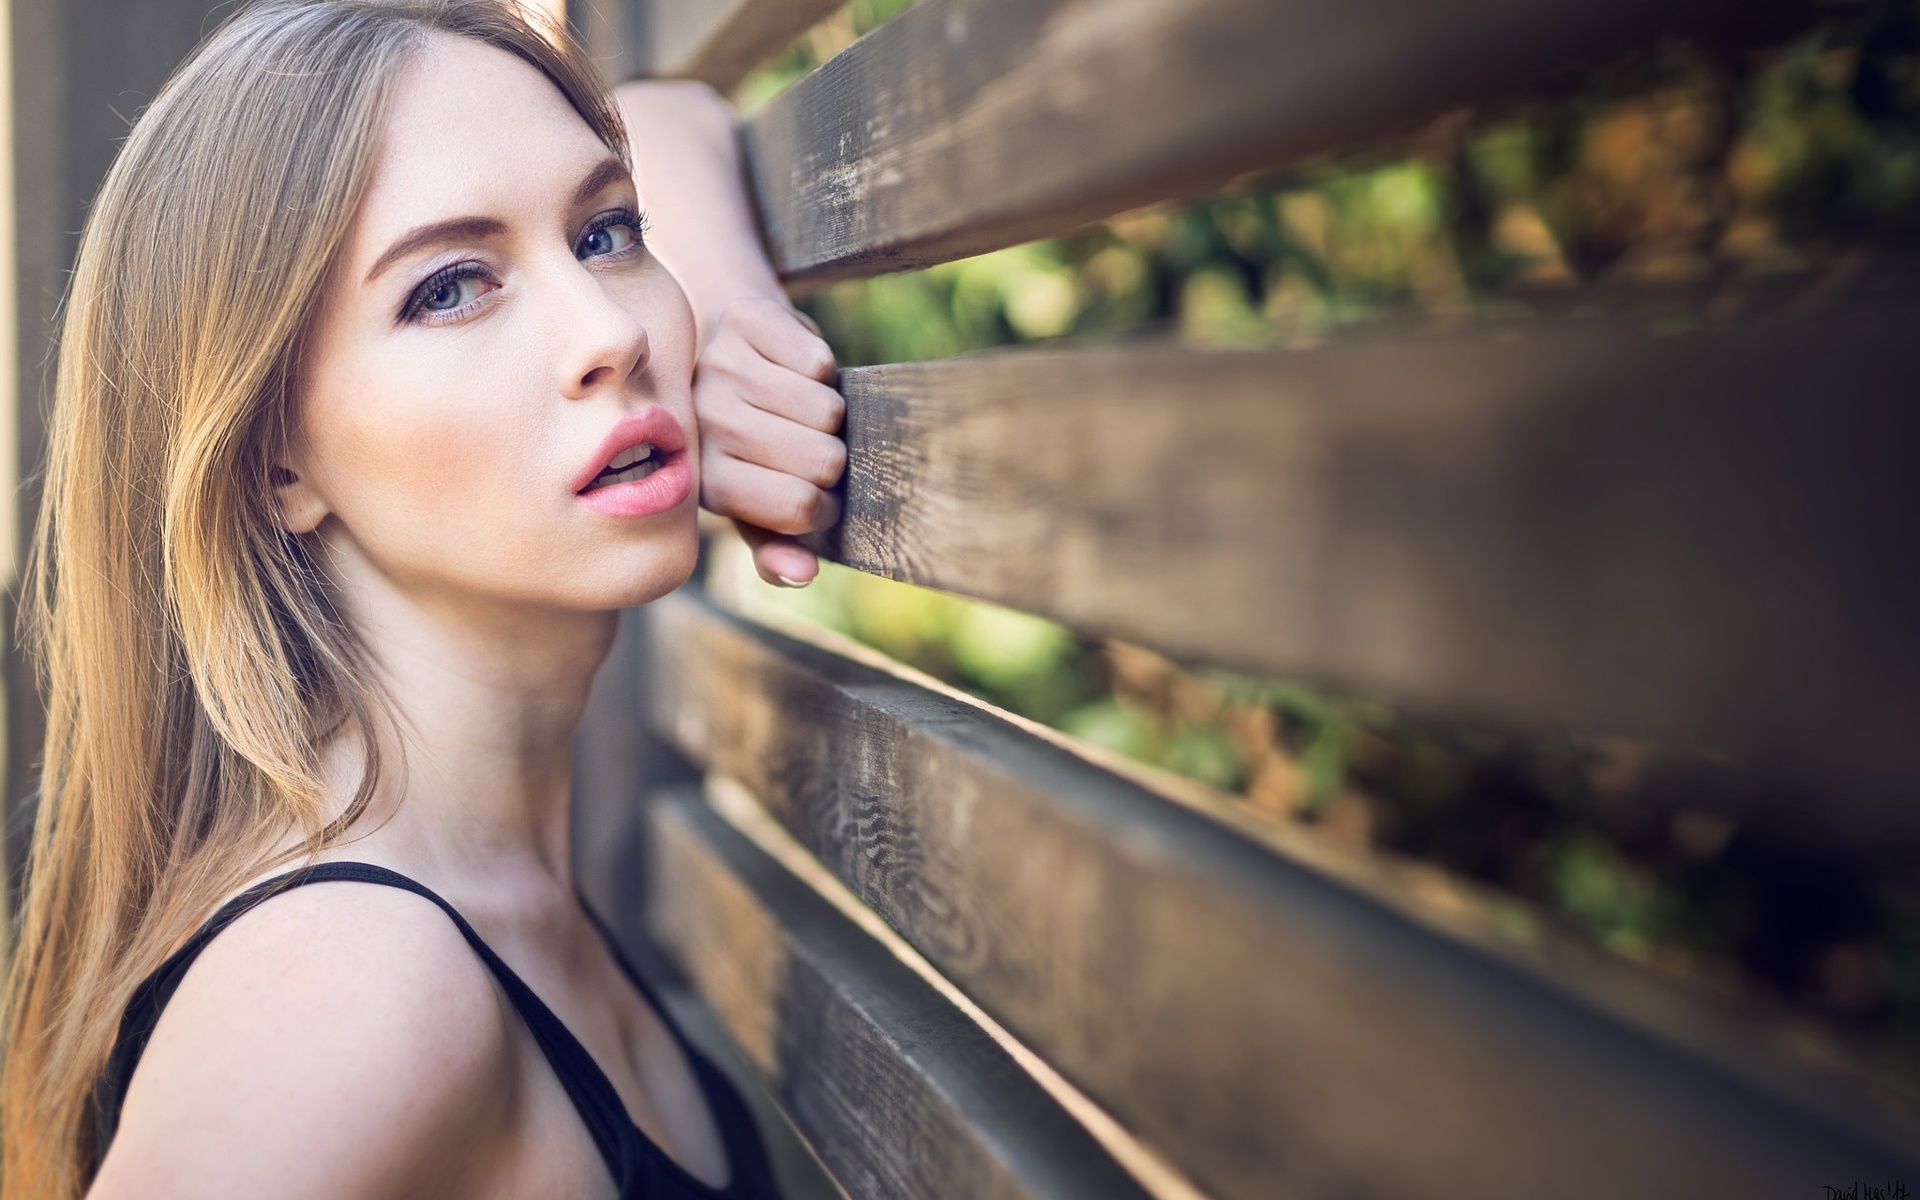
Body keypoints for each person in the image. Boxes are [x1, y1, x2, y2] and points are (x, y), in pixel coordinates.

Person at [0, 2, 842, 1196]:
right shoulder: (352, 995)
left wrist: (739, 312)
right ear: (277, 460)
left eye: (608, 233)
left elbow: (675, 115)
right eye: (450, 289)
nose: (609, 332)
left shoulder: (468, 898)